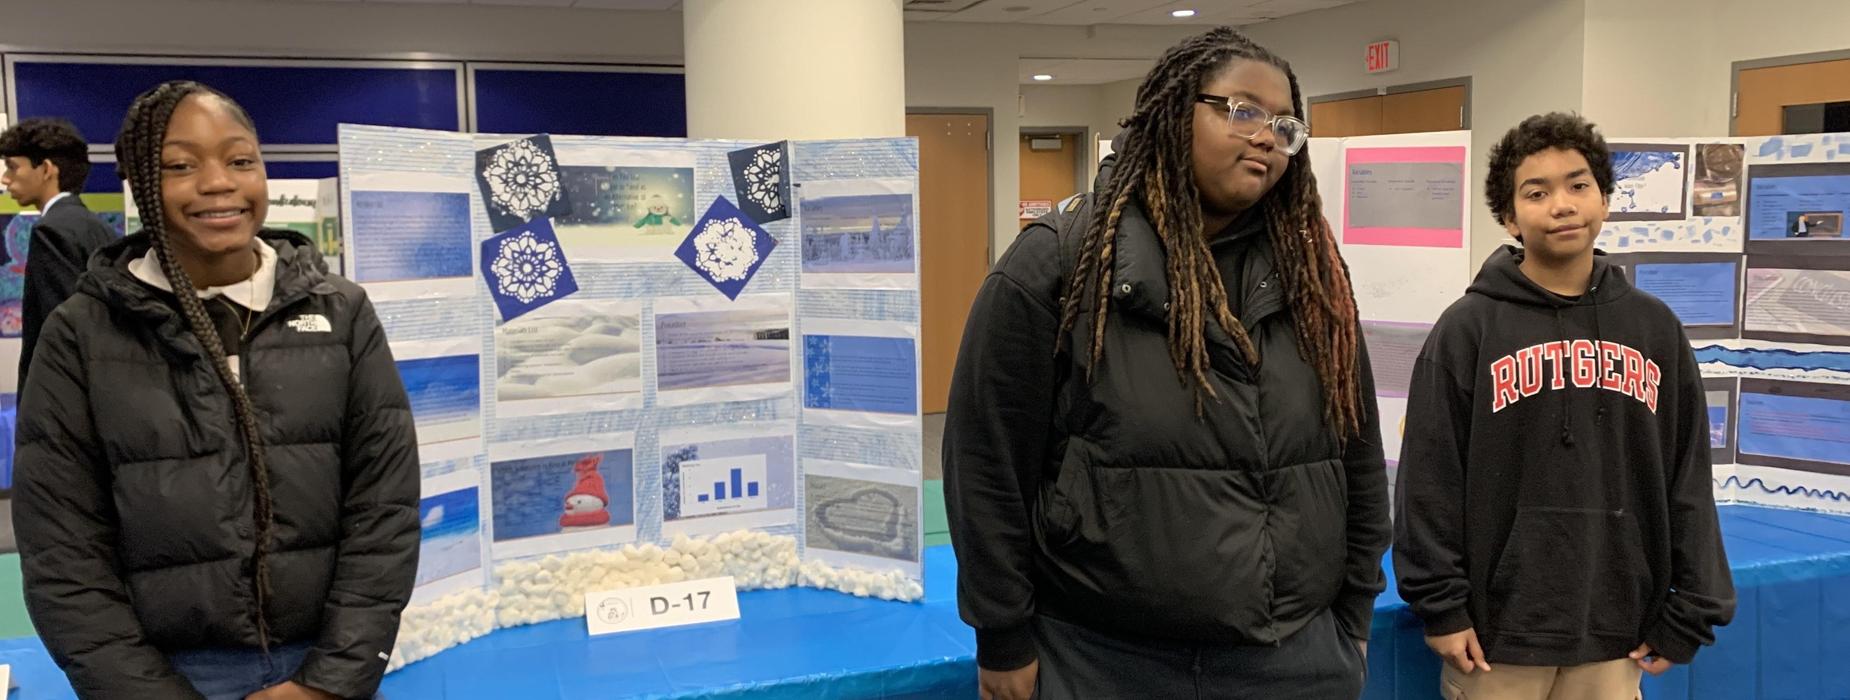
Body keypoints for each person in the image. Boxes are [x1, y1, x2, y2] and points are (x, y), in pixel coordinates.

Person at [943, 26, 1389, 700]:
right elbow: (986, 463)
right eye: (1242, 111)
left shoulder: (1312, 277)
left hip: (1293, 659)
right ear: (1174, 113)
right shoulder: (1060, 262)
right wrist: (1002, 634)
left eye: (1285, 127)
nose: (1266, 138)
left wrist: (1353, 613)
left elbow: (1356, 450)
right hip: (1103, 657)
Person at [11, 81, 420, 699]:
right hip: (169, 673)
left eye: (240, 160)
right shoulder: (82, 333)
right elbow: (61, 548)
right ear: (139, 183)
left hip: (323, 665)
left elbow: (384, 508)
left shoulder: (341, 313)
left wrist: (330, 681)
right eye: (180, 166)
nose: (218, 182)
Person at [1393, 113, 1736, 700]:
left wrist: (1694, 607)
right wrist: (1441, 606)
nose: (1562, 205)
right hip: (1496, 638)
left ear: (1604, 199)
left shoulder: (1654, 328)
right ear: (1509, 217)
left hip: (1617, 632)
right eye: (1537, 192)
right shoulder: (1467, 328)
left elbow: (1686, 475)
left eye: (1578, 185)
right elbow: (1429, 476)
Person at [0, 117, 117, 394]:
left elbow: (62, 329)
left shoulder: (51, 231)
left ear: (46, 169)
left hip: (62, 395)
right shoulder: (97, 227)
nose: (5, 179)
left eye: (13, 167)